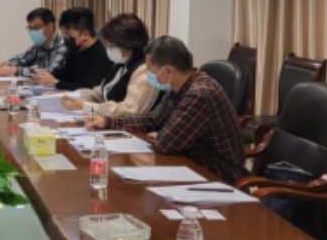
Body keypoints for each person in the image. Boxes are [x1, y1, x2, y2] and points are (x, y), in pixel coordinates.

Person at [86, 36, 248, 183]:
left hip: (218, 177)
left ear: (169, 71)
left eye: (150, 70)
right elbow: (154, 120)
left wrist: (160, 134)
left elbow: (166, 144)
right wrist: (108, 122)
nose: (148, 74)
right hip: (189, 166)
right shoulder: (178, 86)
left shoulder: (199, 94)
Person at [59, 13, 159, 116]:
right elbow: (100, 93)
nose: (108, 48)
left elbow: (128, 110)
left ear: (128, 43)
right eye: (107, 44)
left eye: (112, 45)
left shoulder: (144, 71)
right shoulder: (120, 65)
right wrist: (72, 95)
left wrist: (86, 106)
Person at [33, 7, 112, 90]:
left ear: (85, 34)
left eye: (69, 35)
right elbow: (64, 74)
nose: (65, 39)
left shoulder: (103, 56)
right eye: (64, 34)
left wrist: (56, 83)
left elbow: (89, 87)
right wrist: (45, 76)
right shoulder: (74, 50)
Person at [0, 7, 68, 76]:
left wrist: (16, 71)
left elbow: (51, 72)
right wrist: (7, 64)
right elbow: (20, 59)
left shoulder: (63, 46)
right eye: (30, 28)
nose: (33, 32)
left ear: (50, 26)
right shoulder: (37, 47)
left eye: (36, 27)